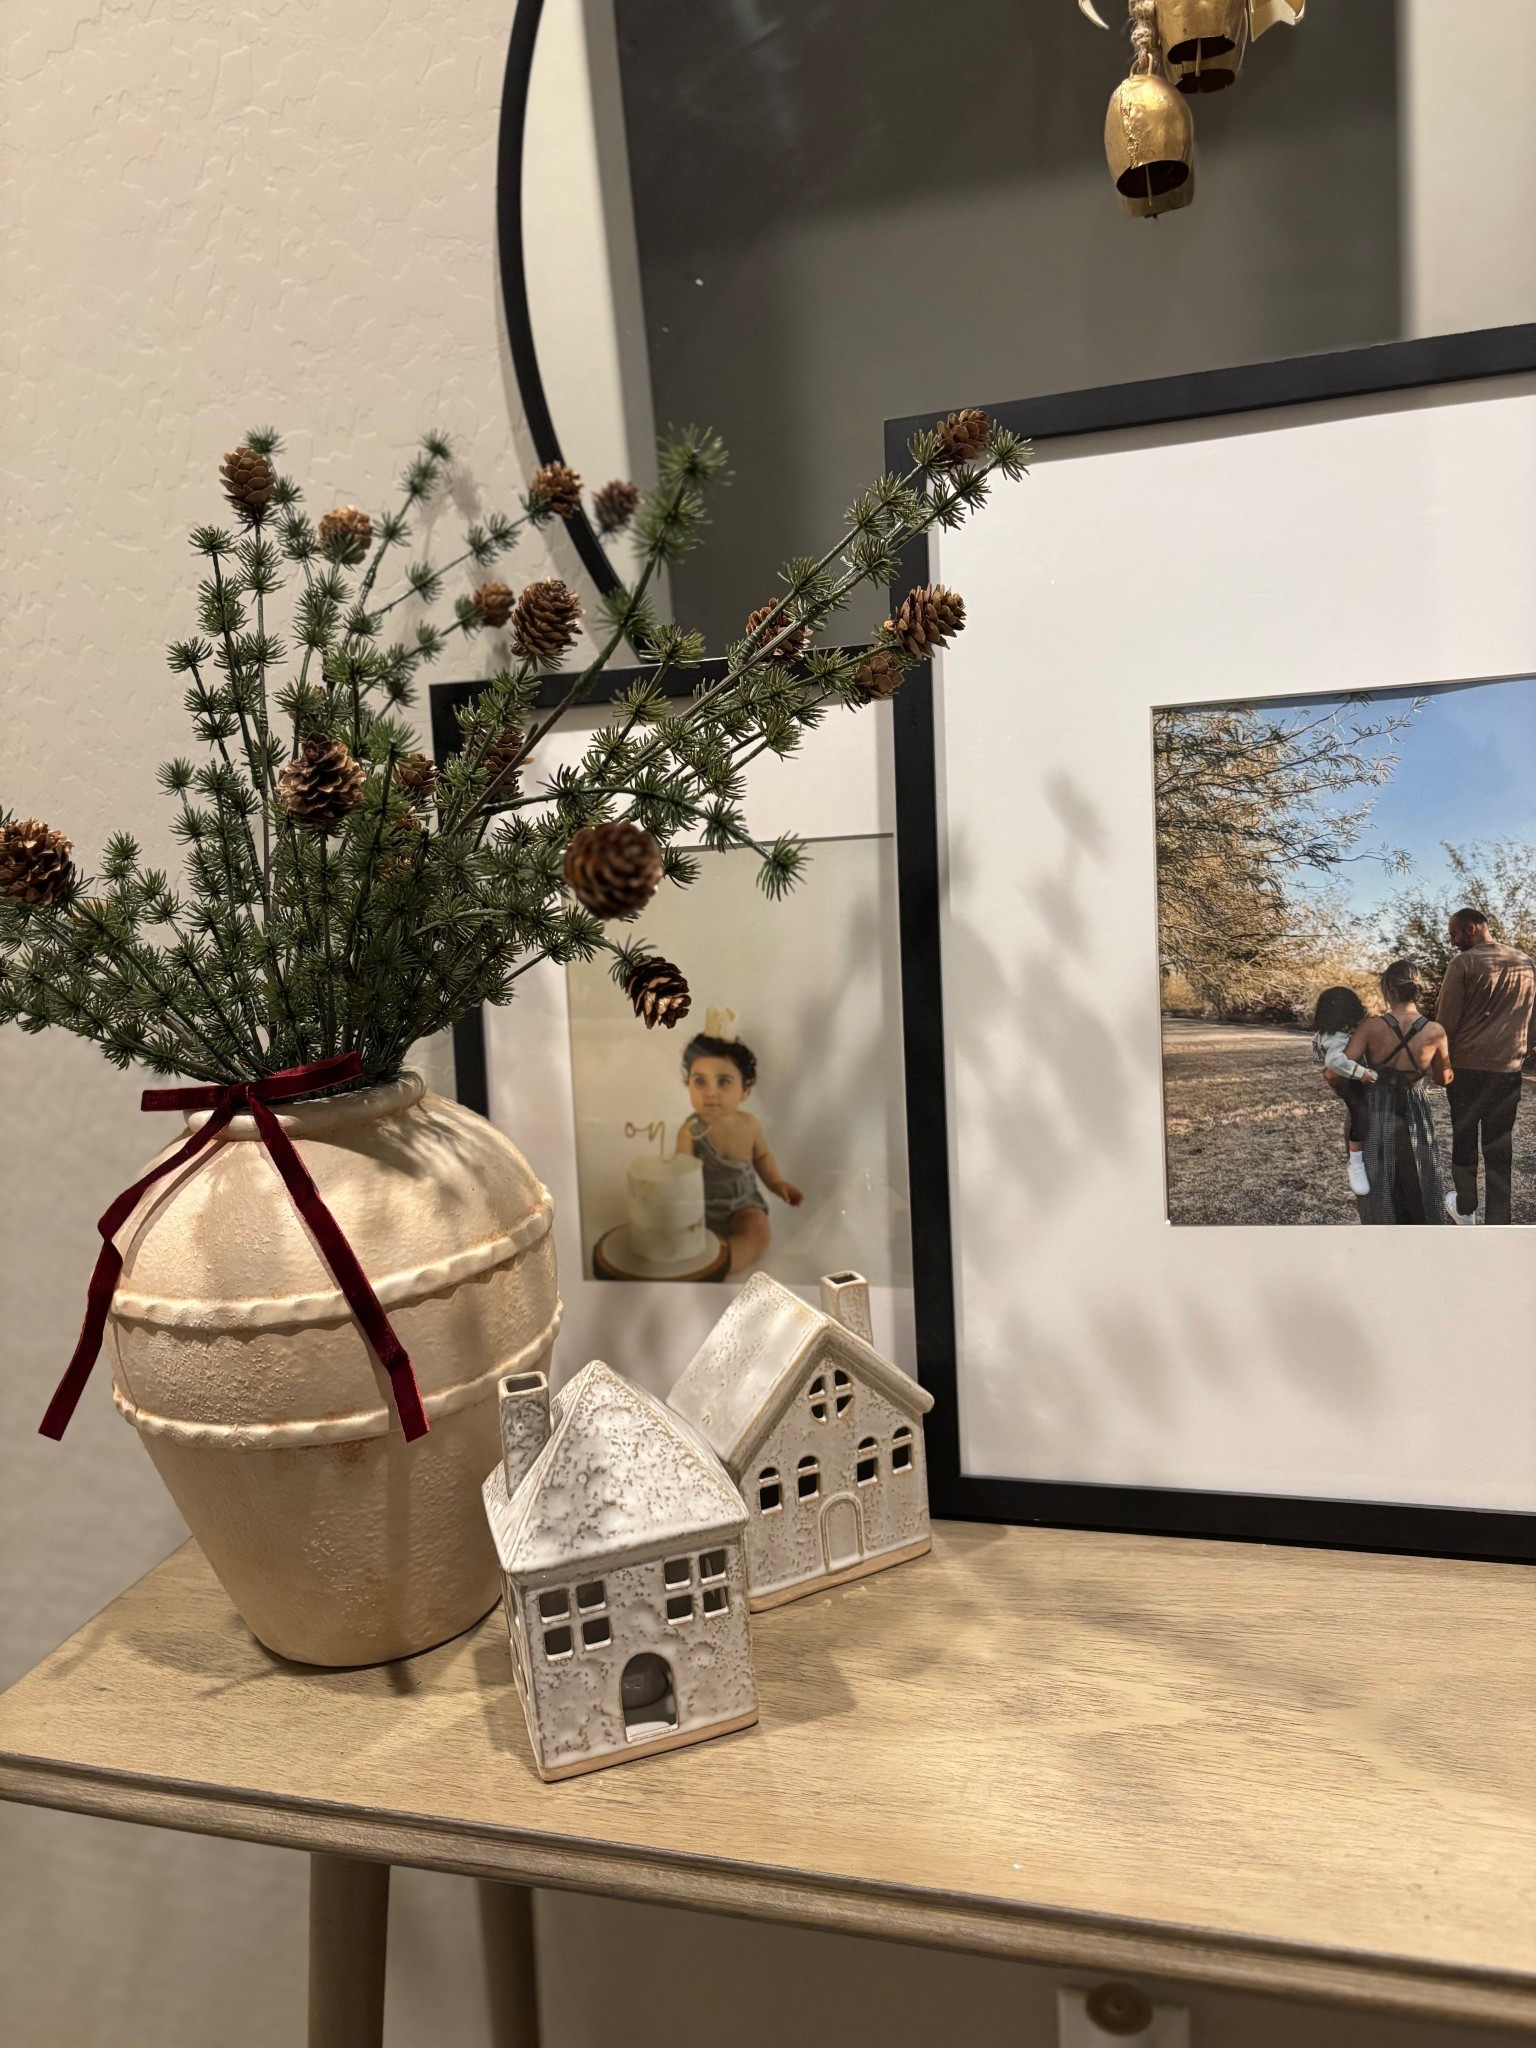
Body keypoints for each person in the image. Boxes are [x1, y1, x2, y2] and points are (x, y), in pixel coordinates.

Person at [675, 1014, 803, 1274]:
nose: (710, 1092)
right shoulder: (691, 1129)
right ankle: (700, 1254)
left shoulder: (750, 1125)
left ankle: (723, 1262)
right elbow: (681, 1172)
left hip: (743, 1204)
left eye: (723, 1082)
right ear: (688, 1084)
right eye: (700, 1081)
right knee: (680, 1231)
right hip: (701, 1205)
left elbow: (762, 1157)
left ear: (745, 1089)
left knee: (758, 1231)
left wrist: (777, 1183)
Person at [1436, 908, 1536, 1226]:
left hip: (1465, 1070)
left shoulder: (1462, 963)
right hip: (1507, 1071)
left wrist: (1439, 1063)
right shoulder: (1525, 962)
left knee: (1464, 1139)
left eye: (1454, 934)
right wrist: (1520, 1050)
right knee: (1499, 1146)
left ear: (1473, 927)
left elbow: (1445, 1022)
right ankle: (1499, 1221)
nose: (1452, 941)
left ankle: (1466, 1209)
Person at [1343, 961, 1452, 1225]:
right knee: (1420, 1167)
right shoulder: (1435, 1030)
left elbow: (1344, 1068)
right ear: (1417, 990)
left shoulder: (1370, 1027)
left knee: (1376, 1172)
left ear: (1388, 989)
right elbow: (1444, 1078)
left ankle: (1381, 1229)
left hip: (1374, 1105)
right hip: (1414, 1105)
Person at [1311, 986, 1378, 1198]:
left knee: (1360, 1111)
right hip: (1344, 1079)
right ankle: (1355, 1162)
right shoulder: (1336, 1036)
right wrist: (1362, 1073)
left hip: (1340, 1078)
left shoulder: (1327, 1032)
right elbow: (1333, 1062)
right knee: (1360, 1111)